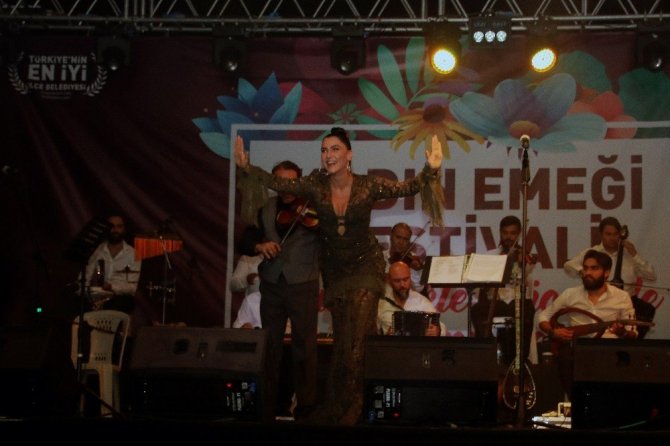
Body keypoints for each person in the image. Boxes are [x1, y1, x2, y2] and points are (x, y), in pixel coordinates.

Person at [234, 127, 445, 425]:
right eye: (324, 150)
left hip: (365, 267)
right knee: (344, 340)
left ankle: (352, 412)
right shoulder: (314, 185)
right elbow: (278, 182)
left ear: (349, 155)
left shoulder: (368, 184)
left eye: (335, 149)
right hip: (335, 272)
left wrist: (430, 169)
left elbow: (406, 187)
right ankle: (338, 407)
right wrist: (247, 166)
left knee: (357, 339)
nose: (328, 155)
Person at [238, 160, 321, 422]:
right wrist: (260, 246)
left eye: (291, 182)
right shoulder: (266, 208)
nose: (285, 188)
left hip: (303, 283)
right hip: (272, 284)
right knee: (270, 347)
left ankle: (306, 408)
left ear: (299, 181)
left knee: (304, 347)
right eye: (279, 182)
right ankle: (270, 406)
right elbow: (246, 239)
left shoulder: (314, 207)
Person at [539, 249, 637, 397]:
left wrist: (621, 332)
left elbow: (633, 333)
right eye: (585, 268)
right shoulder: (570, 294)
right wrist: (553, 332)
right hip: (578, 349)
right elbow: (543, 316)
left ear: (606, 273)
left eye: (594, 268)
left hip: (609, 350)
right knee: (565, 357)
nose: (588, 273)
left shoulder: (622, 297)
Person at [563, 216, 656, 337]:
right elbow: (568, 265)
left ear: (620, 235)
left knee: (646, 311)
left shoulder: (629, 254)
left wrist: (634, 254)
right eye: (608, 234)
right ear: (601, 234)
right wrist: (583, 272)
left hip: (627, 301)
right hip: (602, 300)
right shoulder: (593, 252)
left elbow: (651, 275)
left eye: (615, 234)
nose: (612, 238)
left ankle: (633, 344)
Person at [470, 215, 536, 364]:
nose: (509, 237)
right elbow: (482, 280)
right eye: (505, 233)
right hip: (496, 302)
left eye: (513, 233)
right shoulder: (491, 255)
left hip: (516, 301)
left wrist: (520, 262)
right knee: (476, 310)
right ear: (500, 233)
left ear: (518, 234)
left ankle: (520, 359)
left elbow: (527, 272)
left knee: (527, 309)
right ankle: (485, 353)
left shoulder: (525, 256)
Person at [82, 214, 141, 314]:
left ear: (124, 229)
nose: (115, 230)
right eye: (112, 226)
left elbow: (132, 288)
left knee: (124, 302)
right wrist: (87, 293)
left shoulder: (133, 254)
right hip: (96, 295)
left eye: (119, 226)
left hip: (118, 297)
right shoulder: (97, 250)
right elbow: (85, 277)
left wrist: (111, 287)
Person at [377, 261, 445, 336]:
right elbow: (372, 332)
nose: (402, 285)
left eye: (405, 279)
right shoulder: (381, 303)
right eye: (397, 281)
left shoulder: (421, 301)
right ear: (389, 280)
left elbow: (441, 328)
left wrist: (437, 331)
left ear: (410, 277)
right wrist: (385, 337)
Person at [382, 222, 426, 295]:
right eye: (398, 237)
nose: (401, 242)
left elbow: (418, 289)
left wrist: (415, 271)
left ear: (409, 242)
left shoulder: (413, 260)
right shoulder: (380, 257)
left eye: (405, 239)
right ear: (391, 237)